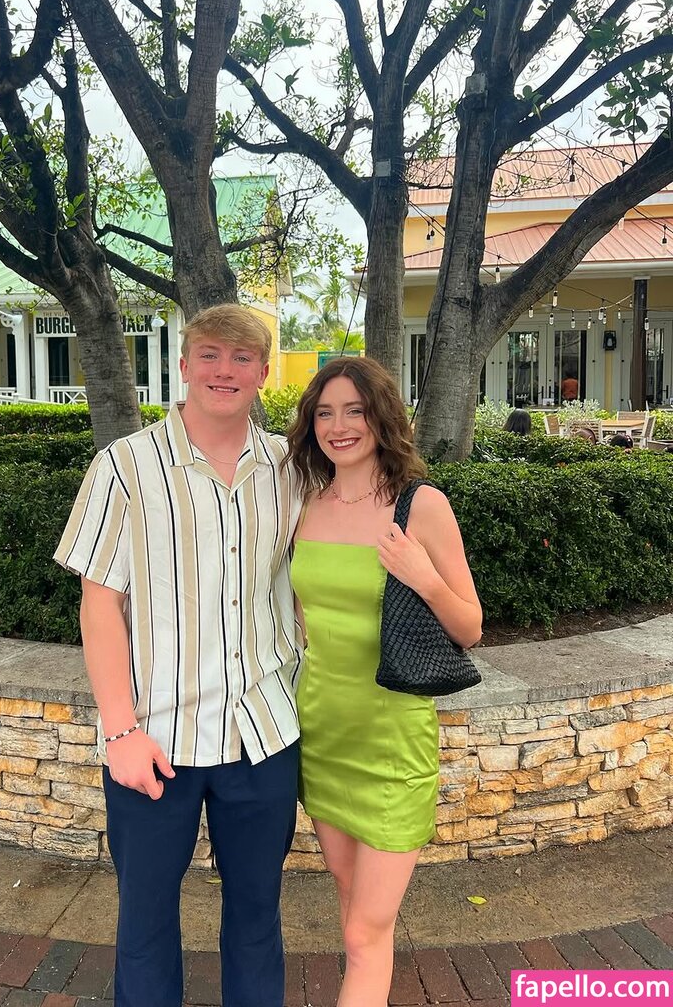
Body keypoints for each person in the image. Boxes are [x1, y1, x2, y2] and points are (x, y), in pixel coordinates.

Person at [54, 304, 302, 1007]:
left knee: (257, 918)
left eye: (242, 357)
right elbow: (99, 605)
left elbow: (309, 581)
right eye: (211, 355)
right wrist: (120, 732)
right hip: (155, 740)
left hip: (263, 733)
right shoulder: (124, 467)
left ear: (262, 372)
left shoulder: (290, 468)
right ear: (185, 365)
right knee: (145, 923)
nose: (225, 370)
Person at [286, 357, 482, 1007]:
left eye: (354, 410)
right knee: (356, 916)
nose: (339, 425)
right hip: (323, 734)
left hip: (392, 741)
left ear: (382, 417)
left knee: (365, 930)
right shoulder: (305, 503)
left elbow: (470, 627)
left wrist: (423, 577)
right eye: (324, 413)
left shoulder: (420, 506)